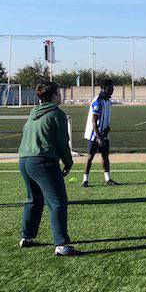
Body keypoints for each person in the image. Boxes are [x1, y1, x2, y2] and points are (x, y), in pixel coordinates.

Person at [17, 82, 81, 256]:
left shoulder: (33, 113)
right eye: (59, 93)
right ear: (53, 96)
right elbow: (62, 142)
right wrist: (68, 162)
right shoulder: (56, 114)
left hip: (24, 160)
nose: (61, 96)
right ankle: (61, 244)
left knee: (34, 200)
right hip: (42, 161)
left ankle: (27, 237)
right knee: (57, 202)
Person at [81, 79, 119, 187]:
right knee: (90, 157)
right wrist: (98, 137)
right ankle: (85, 180)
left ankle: (108, 179)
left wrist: (107, 129)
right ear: (105, 88)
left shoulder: (108, 101)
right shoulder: (98, 101)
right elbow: (94, 121)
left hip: (104, 134)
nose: (113, 89)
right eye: (111, 87)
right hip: (94, 135)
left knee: (105, 156)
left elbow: (105, 117)